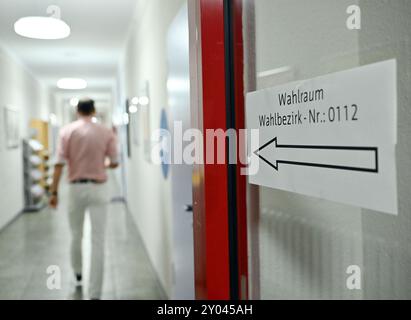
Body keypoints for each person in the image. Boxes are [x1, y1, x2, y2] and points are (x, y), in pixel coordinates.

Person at [49, 98, 119, 300]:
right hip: (99, 188)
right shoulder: (106, 132)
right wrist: (101, 164)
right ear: (94, 110)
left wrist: (53, 192)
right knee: (98, 240)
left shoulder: (67, 131)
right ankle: (95, 292)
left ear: (77, 111)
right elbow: (114, 162)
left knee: (76, 234)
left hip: (75, 189)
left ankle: (78, 275)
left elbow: (59, 164)